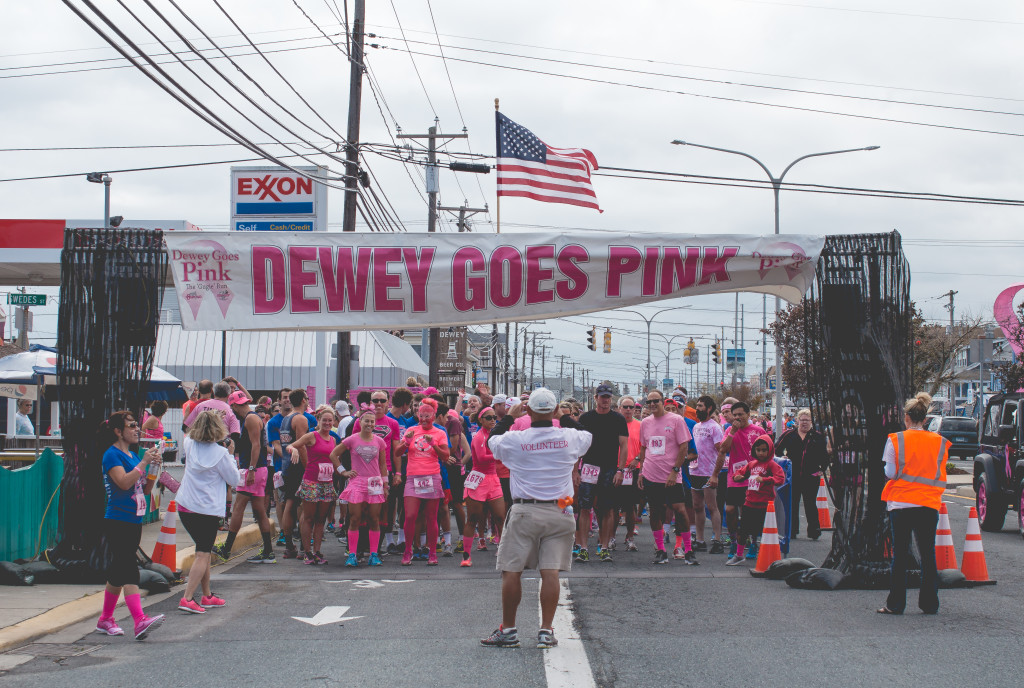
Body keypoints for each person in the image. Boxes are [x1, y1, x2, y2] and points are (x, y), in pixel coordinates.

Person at [481, 388, 592, 649]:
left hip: (525, 510)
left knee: (512, 570)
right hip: (560, 510)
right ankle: (545, 630)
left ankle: (508, 629)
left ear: (527, 411)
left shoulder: (516, 438)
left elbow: (491, 440)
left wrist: (509, 417)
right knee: (550, 571)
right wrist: (564, 416)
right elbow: (587, 433)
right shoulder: (568, 437)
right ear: (554, 411)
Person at [94, 411, 165, 640]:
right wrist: (144, 462)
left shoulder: (133, 456)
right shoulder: (111, 455)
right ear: (118, 431)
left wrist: (153, 467)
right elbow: (124, 482)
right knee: (128, 568)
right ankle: (139, 620)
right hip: (118, 519)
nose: (137, 429)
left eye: (137, 425)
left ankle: (105, 619)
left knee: (117, 572)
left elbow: (144, 488)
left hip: (134, 518)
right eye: (132, 426)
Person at [878, 392, 948, 615]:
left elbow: (890, 472)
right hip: (928, 503)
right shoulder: (939, 442)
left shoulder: (896, 439)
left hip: (901, 503)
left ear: (906, 417)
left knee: (899, 555)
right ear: (925, 419)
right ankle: (929, 603)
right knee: (928, 555)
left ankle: (895, 604)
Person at [176, 411, 242, 613]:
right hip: (207, 510)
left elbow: (188, 432)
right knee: (203, 553)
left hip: (185, 505)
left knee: (201, 549)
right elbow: (234, 480)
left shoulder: (189, 444)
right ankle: (187, 598)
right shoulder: (221, 454)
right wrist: (230, 455)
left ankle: (207, 595)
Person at [213, 391, 275, 564]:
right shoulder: (249, 418)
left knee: (239, 506)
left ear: (234, 405)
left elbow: (256, 446)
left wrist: (252, 469)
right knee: (259, 511)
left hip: (254, 469)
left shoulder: (250, 419)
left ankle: (226, 549)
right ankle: (268, 551)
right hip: (257, 468)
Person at [638, 391, 698, 565]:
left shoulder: (676, 420)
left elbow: (684, 446)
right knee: (655, 511)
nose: (652, 405)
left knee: (680, 510)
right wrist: (641, 472)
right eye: (649, 402)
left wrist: (675, 470)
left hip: (672, 476)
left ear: (662, 402)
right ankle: (660, 550)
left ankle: (688, 550)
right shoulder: (645, 423)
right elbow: (643, 448)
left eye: (655, 401)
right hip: (651, 474)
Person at [574, 383, 628, 563]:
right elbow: (578, 446)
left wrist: (620, 470)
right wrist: (575, 470)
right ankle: (583, 548)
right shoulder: (586, 418)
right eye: (602, 397)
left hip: (609, 469)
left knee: (606, 510)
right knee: (584, 507)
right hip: (588, 467)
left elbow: (624, 446)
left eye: (608, 397)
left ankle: (604, 547)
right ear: (596, 398)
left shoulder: (618, 419)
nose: (605, 400)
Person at [396, 398, 449, 566]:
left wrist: (433, 444)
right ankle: (408, 551)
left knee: (431, 517)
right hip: (413, 477)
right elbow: (397, 452)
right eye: (421, 416)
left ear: (434, 416)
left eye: (427, 416)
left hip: (432, 476)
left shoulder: (440, 432)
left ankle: (432, 552)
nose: (424, 419)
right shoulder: (411, 430)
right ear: (417, 415)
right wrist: (407, 442)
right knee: (410, 515)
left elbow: (446, 456)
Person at [336, 405, 389, 567]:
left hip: (374, 483)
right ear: (360, 421)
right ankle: (352, 554)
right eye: (367, 420)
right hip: (357, 483)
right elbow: (334, 454)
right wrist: (343, 471)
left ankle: (374, 554)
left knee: (374, 519)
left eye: (372, 421)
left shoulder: (379, 441)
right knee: (355, 519)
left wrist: (385, 484)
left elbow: (383, 465)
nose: (370, 424)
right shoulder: (352, 439)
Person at [288, 407, 341, 565]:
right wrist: (294, 451)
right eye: (324, 420)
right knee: (308, 518)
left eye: (330, 420)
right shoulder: (312, 436)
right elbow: (291, 445)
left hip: (327, 483)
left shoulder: (333, 440)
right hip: (312, 482)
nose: (327, 423)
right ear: (318, 421)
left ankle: (317, 551)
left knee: (321, 519)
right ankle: (307, 552)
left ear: (333, 422)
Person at [726, 434, 785, 565]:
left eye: (764, 450)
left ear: (769, 450)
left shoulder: (772, 465)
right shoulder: (752, 464)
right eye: (758, 450)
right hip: (750, 502)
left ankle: (768, 553)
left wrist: (765, 479)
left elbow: (780, 479)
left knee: (765, 530)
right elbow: (740, 472)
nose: (761, 453)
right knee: (744, 529)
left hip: (765, 504)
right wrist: (738, 477)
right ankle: (739, 555)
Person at [712, 401, 762, 557]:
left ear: (748, 415)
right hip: (735, 476)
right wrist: (733, 431)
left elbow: (767, 452)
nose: (738, 418)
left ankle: (753, 543)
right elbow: (723, 449)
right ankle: (734, 541)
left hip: (753, 477)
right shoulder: (729, 430)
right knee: (730, 510)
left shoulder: (758, 431)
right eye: (735, 415)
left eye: (741, 414)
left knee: (749, 512)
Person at [460, 407, 506, 567]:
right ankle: (466, 556)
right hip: (478, 479)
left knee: (501, 517)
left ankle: (504, 550)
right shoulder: (479, 436)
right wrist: (500, 454)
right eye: (489, 417)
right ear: (481, 420)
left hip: (493, 479)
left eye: (494, 417)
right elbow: (480, 457)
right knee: (472, 518)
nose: (493, 420)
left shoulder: (495, 435)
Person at [775, 408, 830, 540]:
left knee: (810, 503)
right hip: (792, 475)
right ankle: (792, 530)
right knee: (792, 503)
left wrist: (822, 469)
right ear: (797, 420)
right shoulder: (789, 435)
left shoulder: (817, 437)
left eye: (807, 420)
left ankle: (814, 531)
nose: (804, 423)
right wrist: (783, 458)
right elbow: (777, 449)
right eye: (802, 420)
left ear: (811, 422)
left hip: (811, 475)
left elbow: (824, 455)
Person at [278, 388, 314, 558]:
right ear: (302, 400)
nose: (308, 401)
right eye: (306, 399)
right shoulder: (300, 419)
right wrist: (308, 468)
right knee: (301, 505)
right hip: (297, 466)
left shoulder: (286, 418)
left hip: (286, 465)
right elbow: (302, 444)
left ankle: (289, 545)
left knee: (290, 503)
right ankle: (301, 546)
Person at [691, 395, 725, 553]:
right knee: (697, 507)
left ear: (709, 408)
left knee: (712, 507)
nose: (697, 409)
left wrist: (715, 474)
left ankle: (717, 540)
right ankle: (700, 540)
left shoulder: (714, 427)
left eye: (700, 406)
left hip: (708, 473)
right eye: (697, 406)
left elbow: (721, 452)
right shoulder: (696, 427)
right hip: (695, 471)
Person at [616, 396, 642, 552]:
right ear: (619, 408)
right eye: (625, 407)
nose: (628, 410)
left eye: (631, 407)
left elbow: (645, 446)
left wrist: (637, 459)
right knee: (612, 507)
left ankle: (630, 537)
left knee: (631, 506)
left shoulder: (640, 425)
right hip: (616, 469)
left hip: (633, 469)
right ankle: (610, 537)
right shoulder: (613, 424)